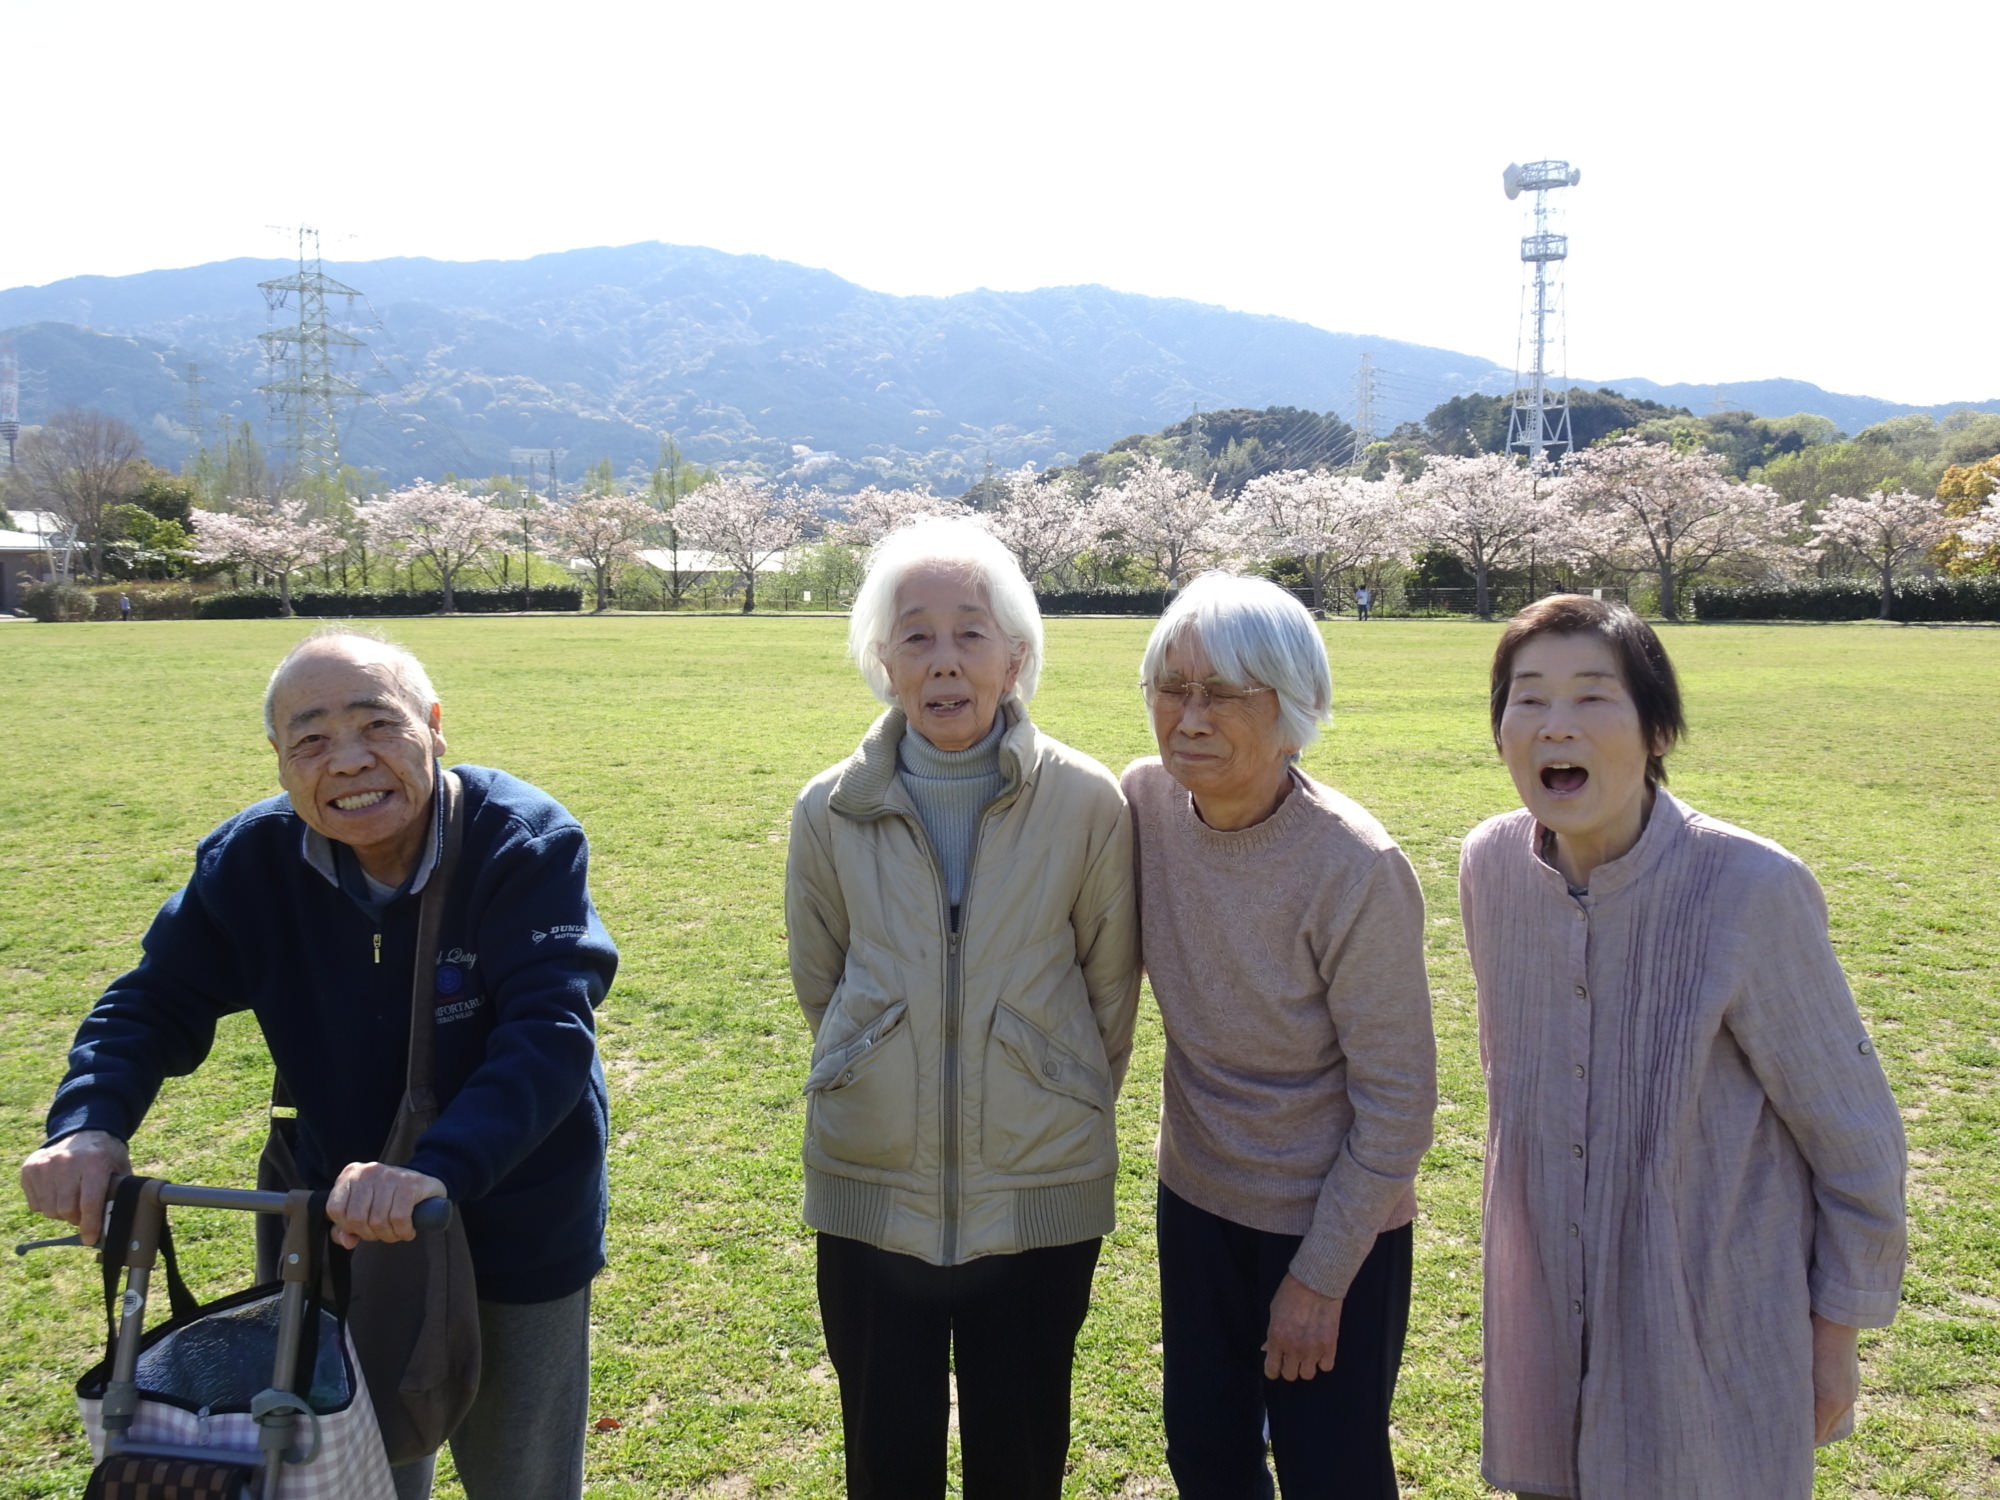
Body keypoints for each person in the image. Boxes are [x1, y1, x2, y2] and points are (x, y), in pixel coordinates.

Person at [19, 626, 617, 1500]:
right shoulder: (251, 860)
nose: (348, 760)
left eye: (378, 724)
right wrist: (88, 1125)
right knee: (355, 1473)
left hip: (516, 1216)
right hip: (337, 1226)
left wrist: (435, 1169)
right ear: (278, 757)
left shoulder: (520, 840)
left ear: (434, 726)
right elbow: (151, 1001)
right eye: (310, 739)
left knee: (522, 1475)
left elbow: (549, 1033)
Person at [1461, 594, 1906, 1500]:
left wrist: (1834, 1342)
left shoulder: (1750, 887)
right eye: (1528, 697)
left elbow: (1854, 1135)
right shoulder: (1490, 867)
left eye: (1593, 696)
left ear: (1658, 730)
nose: (1555, 725)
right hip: (1544, 1322)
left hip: (1707, 1327)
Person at [785, 517, 1139, 1499]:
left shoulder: (1086, 802)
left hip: (1035, 1191)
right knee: (884, 1459)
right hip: (871, 1185)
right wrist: (881, 1063)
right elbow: (821, 981)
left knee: (1019, 1458)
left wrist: (1044, 1083)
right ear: (883, 661)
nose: (944, 660)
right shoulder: (828, 808)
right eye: (916, 635)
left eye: (970, 633)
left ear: (1014, 658)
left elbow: (1109, 990)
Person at [1122, 572, 1436, 1499]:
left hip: (1329, 1220)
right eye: (1172, 687)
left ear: (1293, 710)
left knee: (1330, 1470)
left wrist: (1320, 1280)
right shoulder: (1144, 804)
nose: (1189, 718)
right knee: (1205, 1454)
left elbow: (1399, 1104)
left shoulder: (1356, 867)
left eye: (1224, 693)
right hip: (1198, 1196)